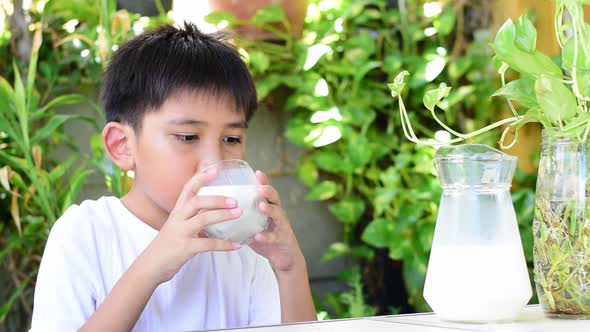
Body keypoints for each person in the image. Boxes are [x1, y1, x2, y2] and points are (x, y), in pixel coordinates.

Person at [30, 22, 316, 332]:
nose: (213, 162)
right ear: (123, 145)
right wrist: (153, 264)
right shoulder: (86, 233)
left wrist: (290, 269)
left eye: (231, 139)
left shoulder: (242, 245)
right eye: (187, 136)